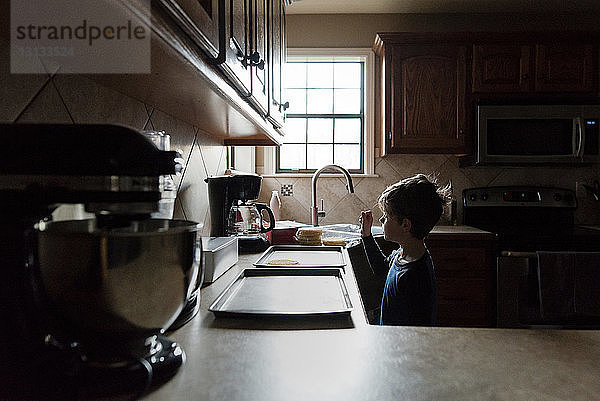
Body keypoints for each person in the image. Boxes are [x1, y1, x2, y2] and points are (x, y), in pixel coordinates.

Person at [359, 174, 449, 326]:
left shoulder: (415, 276)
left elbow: (419, 330)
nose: (381, 220)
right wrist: (366, 236)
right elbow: (381, 268)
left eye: (386, 216)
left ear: (406, 225)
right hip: (392, 340)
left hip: (402, 347)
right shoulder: (402, 255)